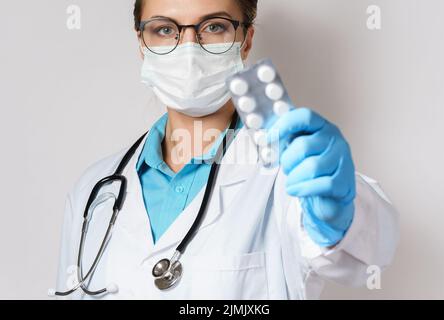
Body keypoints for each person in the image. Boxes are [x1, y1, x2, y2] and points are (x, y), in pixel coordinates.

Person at [55, 0, 399, 299]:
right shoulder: (94, 190)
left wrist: (338, 216)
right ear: (141, 43)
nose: (188, 48)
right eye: (163, 30)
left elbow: (366, 256)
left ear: (246, 41)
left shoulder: (290, 175)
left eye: (214, 26)